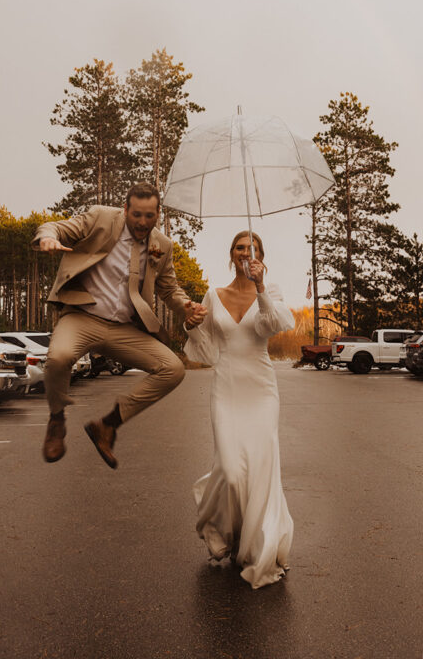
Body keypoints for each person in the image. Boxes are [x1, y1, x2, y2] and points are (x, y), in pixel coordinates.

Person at [33, 182, 206, 467]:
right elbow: (57, 227)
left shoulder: (161, 245)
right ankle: (56, 420)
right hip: (83, 317)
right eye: (136, 214)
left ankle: (107, 425)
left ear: (158, 214)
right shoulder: (100, 218)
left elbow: (170, 290)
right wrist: (48, 238)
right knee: (59, 357)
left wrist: (187, 308)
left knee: (173, 369)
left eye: (149, 216)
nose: (142, 222)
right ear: (125, 209)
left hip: (125, 329)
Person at [183, 230, 295, 589]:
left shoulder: (271, 292)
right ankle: (224, 531)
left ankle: (256, 547)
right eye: (240, 247)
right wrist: (191, 325)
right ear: (231, 254)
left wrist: (260, 288)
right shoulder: (214, 295)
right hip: (226, 388)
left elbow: (272, 326)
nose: (246, 252)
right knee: (231, 471)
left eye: (253, 248)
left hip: (261, 391)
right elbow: (206, 349)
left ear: (261, 255)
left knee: (260, 469)